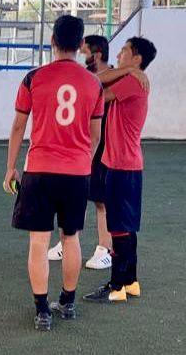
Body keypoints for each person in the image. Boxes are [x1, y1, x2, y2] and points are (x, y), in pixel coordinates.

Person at [4, 15, 104, 331]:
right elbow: (96, 134)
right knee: (71, 237)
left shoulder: (34, 78)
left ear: (52, 41)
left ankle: (42, 310)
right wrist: (83, 160)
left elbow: (19, 125)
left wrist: (10, 167)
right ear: (81, 46)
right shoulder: (94, 83)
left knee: (39, 242)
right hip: (76, 173)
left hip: (39, 171)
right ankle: (68, 302)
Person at [83, 37, 156, 303]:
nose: (121, 54)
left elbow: (96, 86)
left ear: (137, 59)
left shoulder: (133, 81)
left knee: (119, 228)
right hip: (126, 163)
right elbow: (103, 76)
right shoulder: (132, 77)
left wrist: (124, 71)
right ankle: (131, 281)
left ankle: (116, 287)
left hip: (122, 165)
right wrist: (124, 69)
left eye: (125, 51)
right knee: (126, 226)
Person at [47, 35, 113, 269]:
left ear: (95, 55)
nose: (80, 56)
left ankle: (105, 249)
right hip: (83, 145)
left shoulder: (109, 79)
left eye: (84, 52)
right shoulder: (85, 79)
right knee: (77, 197)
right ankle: (67, 243)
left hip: (104, 146)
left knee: (101, 201)